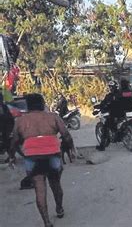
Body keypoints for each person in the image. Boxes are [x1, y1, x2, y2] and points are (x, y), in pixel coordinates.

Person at [9, 93, 74, 227]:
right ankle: (59, 209)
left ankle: (47, 222)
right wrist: (72, 149)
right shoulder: (52, 117)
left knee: (40, 189)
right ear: (42, 103)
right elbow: (66, 134)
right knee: (55, 184)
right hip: (53, 155)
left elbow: (14, 141)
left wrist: (11, 156)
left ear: (28, 105)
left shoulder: (21, 121)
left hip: (32, 157)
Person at [0, 92, 14, 158]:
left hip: (5, 130)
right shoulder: (4, 107)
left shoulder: (4, 107)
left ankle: (11, 157)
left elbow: (10, 119)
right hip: (5, 130)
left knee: (8, 143)